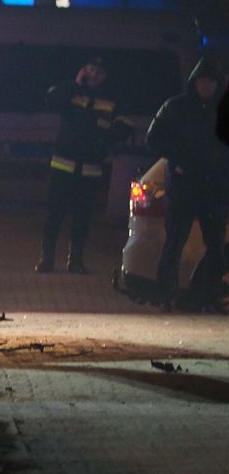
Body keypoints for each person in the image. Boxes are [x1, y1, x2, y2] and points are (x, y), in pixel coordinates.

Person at [35, 56, 133, 273]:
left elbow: (125, 126)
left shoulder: (113, 98)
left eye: (99, 72)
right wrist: (75, 83)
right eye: (91, 69)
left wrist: (106, 133)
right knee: (54, 214)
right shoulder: (72, 91)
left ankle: (76, 260)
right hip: (63, 165)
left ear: (105, 76)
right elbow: (51, 100)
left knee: (83, 217)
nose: (94, 75)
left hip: (91, 169)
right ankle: (46, 259)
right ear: (84, 70)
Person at [146, 57, 229, 311]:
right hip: (183, 187)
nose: (206, 86)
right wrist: (178, 160)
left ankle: (208, 297)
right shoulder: (175, 107)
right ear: (194, 82)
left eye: (211, 82)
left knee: (215, 247)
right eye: (202, 81)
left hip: (214, 188)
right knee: (175, 242)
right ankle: (166, 296)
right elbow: (153, 140)